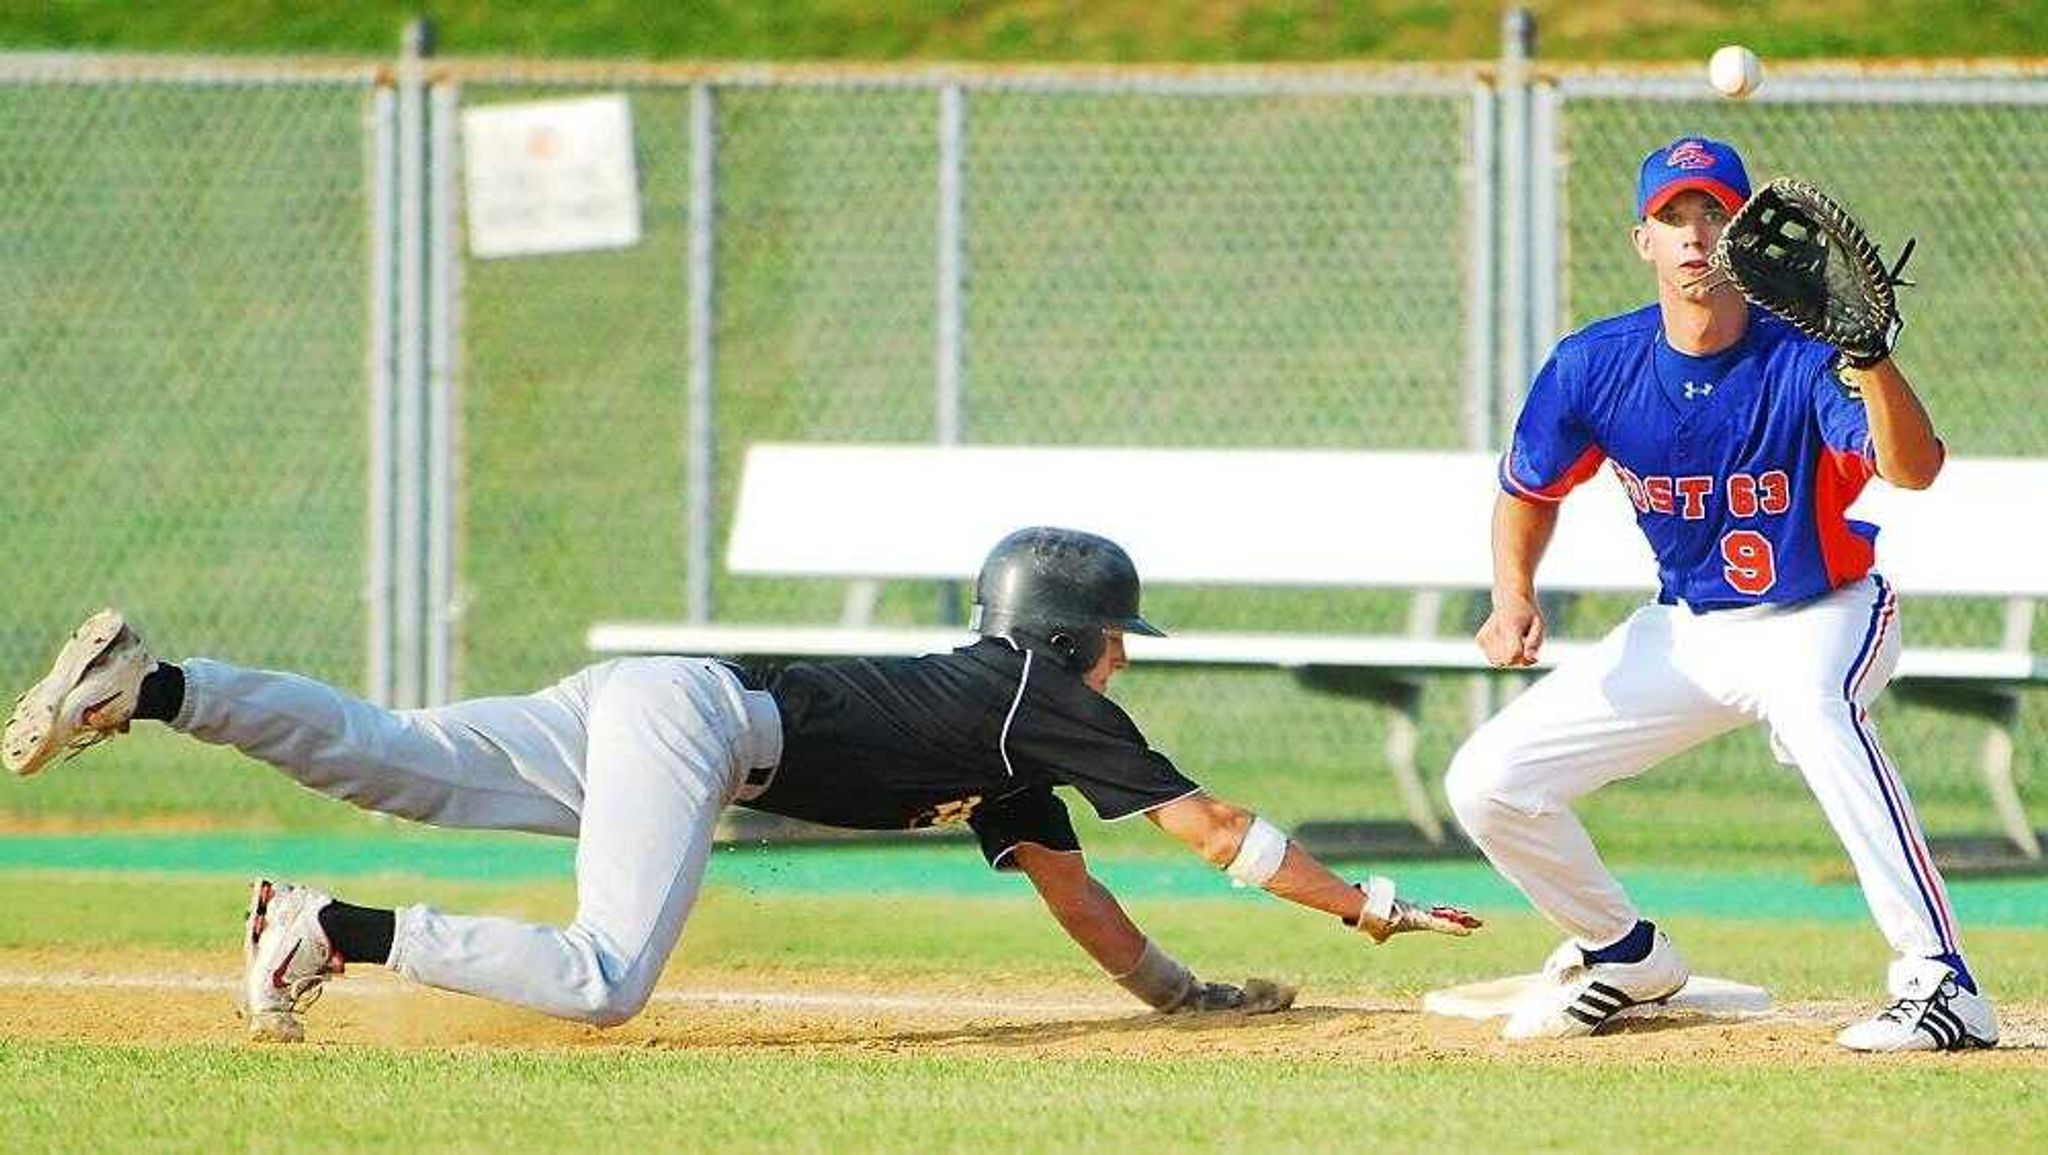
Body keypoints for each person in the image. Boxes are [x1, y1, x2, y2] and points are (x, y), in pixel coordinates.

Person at [6, 526, 1480, 1042]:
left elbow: (1077, 890)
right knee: (601, 980)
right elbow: (1211, 829)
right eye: (1113, 638)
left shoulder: (1007, 732)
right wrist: (1369, 903)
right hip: (699, 728)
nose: (1121, 662)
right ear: (1070, 633)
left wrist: (1185, 995)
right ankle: (328, 927)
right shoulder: (1043, 693)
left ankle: (160, 684)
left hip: (667, 698)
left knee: (397, 754)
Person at [1444, 136, 1995, 1052]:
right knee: (1489, 782)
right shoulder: (1595, 365)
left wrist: (1873, 356)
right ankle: (1623, 953)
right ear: (1643, 241)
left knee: (1819, 714)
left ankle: (1940, 981)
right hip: (1689, 627)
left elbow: (1916, 469)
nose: (1695, 235)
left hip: (1826, 608)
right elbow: (1527, 489)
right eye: (1674, 217)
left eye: (1715, 215)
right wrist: (1512, 596)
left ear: (1748, 237)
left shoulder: (1809, 356)